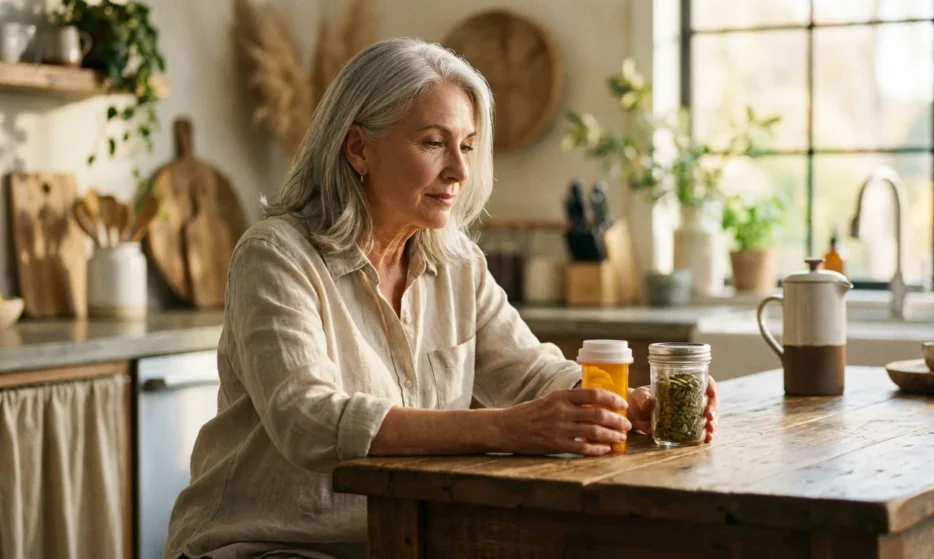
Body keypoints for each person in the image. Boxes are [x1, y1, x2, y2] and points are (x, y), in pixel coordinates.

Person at [163, 37, 719, 559]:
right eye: (433, 142)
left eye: (468, 146)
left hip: (406, 540)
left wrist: (619, 406)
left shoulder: (458, 263)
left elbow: (532, 374)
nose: (458, 170)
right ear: (358, 147)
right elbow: (307, 420)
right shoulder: (276, 253)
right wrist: (507, 429)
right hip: (265, 547)